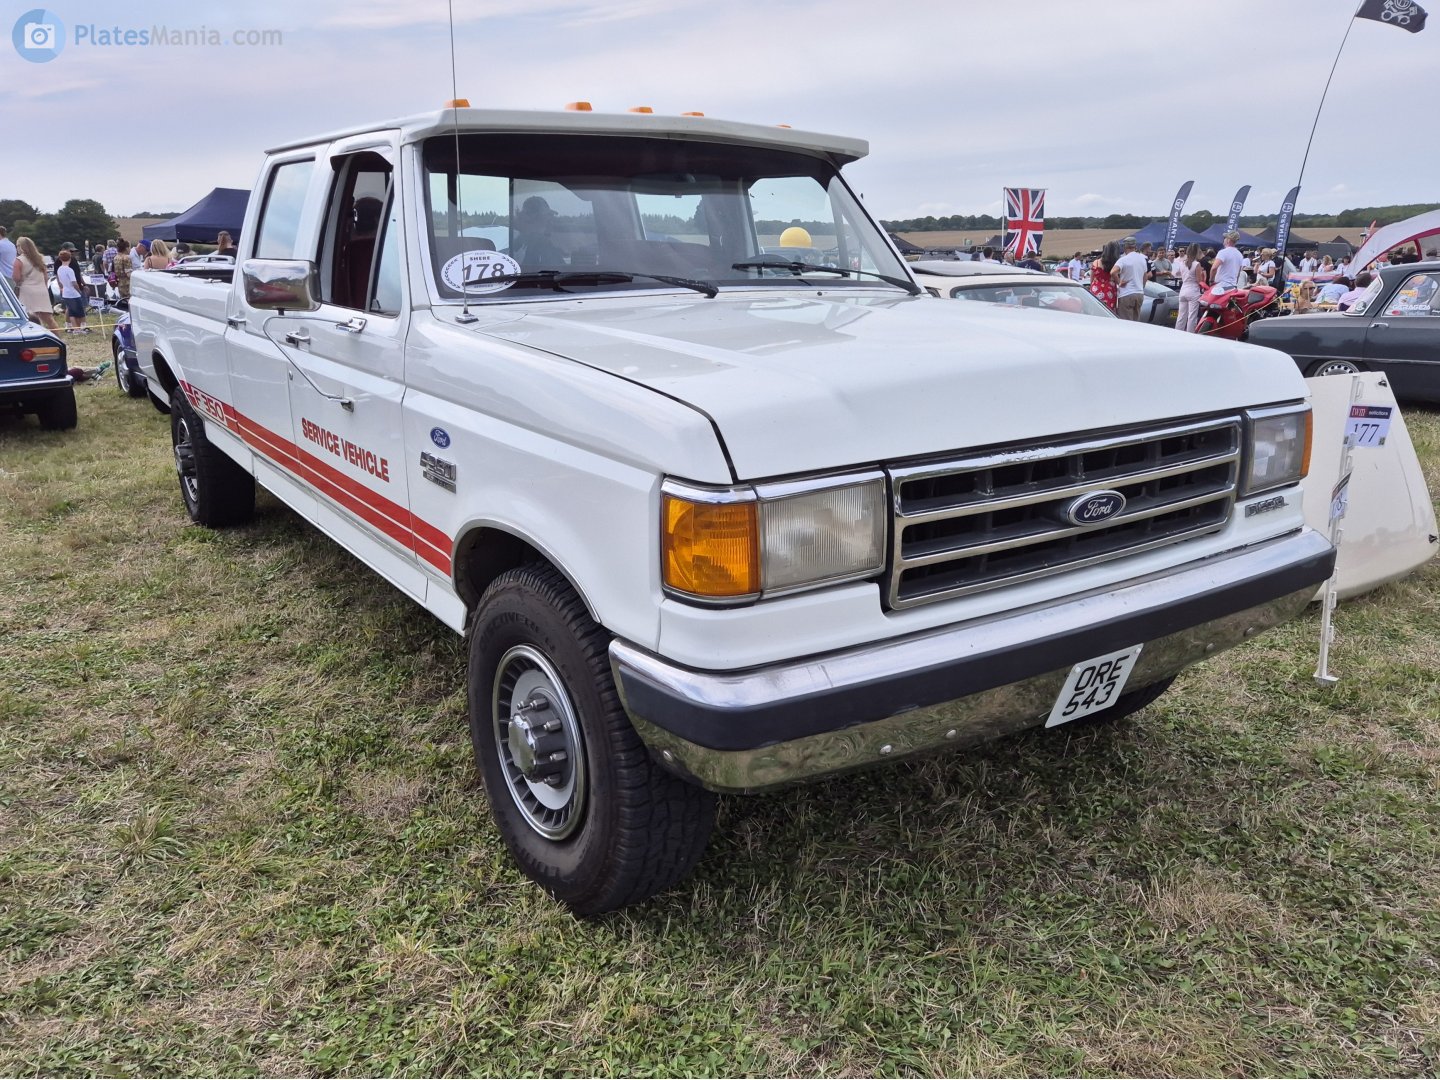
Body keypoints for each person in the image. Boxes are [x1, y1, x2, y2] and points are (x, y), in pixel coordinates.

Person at [506, 195, 566, 269]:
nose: (550, 222)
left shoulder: (519, 244)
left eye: (550, 217)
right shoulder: (536, 244)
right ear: (531, 220)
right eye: (547, 218)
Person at [12, 236, 57, 329]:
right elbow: (45, 277)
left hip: (27, 291)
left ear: (21, 247)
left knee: (29, 317)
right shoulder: (40, 259)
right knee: (49, 319)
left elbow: (16, 278)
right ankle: (57, 339)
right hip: (41, 290)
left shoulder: (19, 260)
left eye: (17, 246)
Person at [1111, 237, 1148, 320]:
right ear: (1135, 246)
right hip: (1139, 293)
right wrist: (1142, 287)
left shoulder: (1123, 260)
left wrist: (1119, 282)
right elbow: (1145, 276)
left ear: (1125, 247)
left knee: (1126, 323)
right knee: (1136, 321)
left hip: (1126, 293)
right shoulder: (1143, 259)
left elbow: (1113, 272)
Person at [55, 249, 89, 333]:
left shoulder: (59, 269)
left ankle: (75, 328)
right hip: (73, 293)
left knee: (71, 312)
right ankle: (80, 328)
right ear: (70, 258)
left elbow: (60, 280)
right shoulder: (69, 270)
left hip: (66, 292)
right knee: (80, 311)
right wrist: (79, 291)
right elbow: (74, 283)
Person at [1176, 242, 1207, 333]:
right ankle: (1190, 334)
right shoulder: (1196, 264)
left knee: (1181, 316)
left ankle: (1177, 333)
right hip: (1193, 290)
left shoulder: (1182, 263)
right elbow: (1199, 280)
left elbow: (1179, 275)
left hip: (1183, 289)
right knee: (1192, 316)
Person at [1087, 240, 1121, 312]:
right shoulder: (1116, 264)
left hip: (1096, 288)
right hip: (1110, 291)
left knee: (1096, 310)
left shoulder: (1096, 262)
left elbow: (1092, 278)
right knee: (1109, 311)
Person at [112, 239, 133, 303]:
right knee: (129, 300)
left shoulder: (116, 257)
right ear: (126, 248)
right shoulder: (126, 258)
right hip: (127, 283)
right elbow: (128, 273)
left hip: (120, 282)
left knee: (123, 299)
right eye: (129, 247)